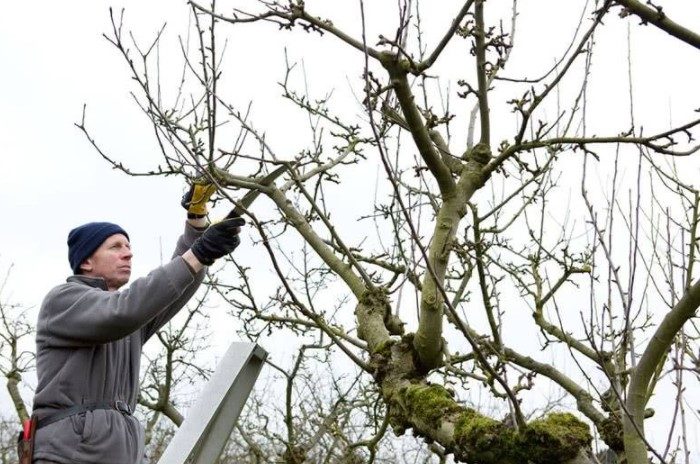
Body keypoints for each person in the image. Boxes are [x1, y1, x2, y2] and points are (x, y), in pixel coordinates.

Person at [29, 183, 243, 464]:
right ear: (86, 262)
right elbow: (124, 310)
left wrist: (196, 222)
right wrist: (198, 253)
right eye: (115, 247)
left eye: (129, 247)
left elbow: (176, 287)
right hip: (72, 452)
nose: (128, 253)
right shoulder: (64, 300)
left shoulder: (129, 316)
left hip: (122, 450)